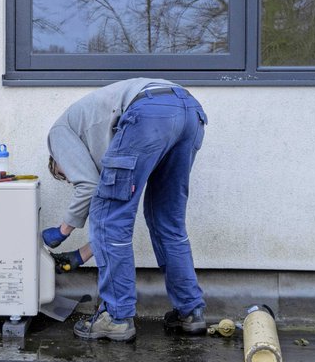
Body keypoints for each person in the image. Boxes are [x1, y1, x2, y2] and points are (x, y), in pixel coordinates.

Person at [42, 77, 208, 342]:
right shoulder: (94, 133)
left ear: (56, 162)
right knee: (167, 221)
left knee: (109, 218)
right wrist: (80, 256)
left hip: (148, 112)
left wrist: (62, 231)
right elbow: (108, 229)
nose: (69, 178)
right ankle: (191, 312)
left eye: (64, 175)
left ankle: (116, 317)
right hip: (188, 111)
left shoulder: (58, 136)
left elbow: (90, 189)